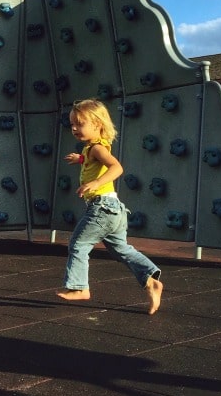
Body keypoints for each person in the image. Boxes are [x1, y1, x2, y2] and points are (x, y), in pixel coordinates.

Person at [57, 99, 163, 314]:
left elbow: (117, 167)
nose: (75, 128)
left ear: (98, 124)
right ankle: (151, 280)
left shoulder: (97, 148)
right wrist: (80, 159)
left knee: (78, 244)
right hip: (113, 210)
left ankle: (79, 288)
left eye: (80, 123)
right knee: (121, 249)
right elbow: (91, 161)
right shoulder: (90, 150)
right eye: (72, 125)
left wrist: (96, 183)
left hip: (102, 207)